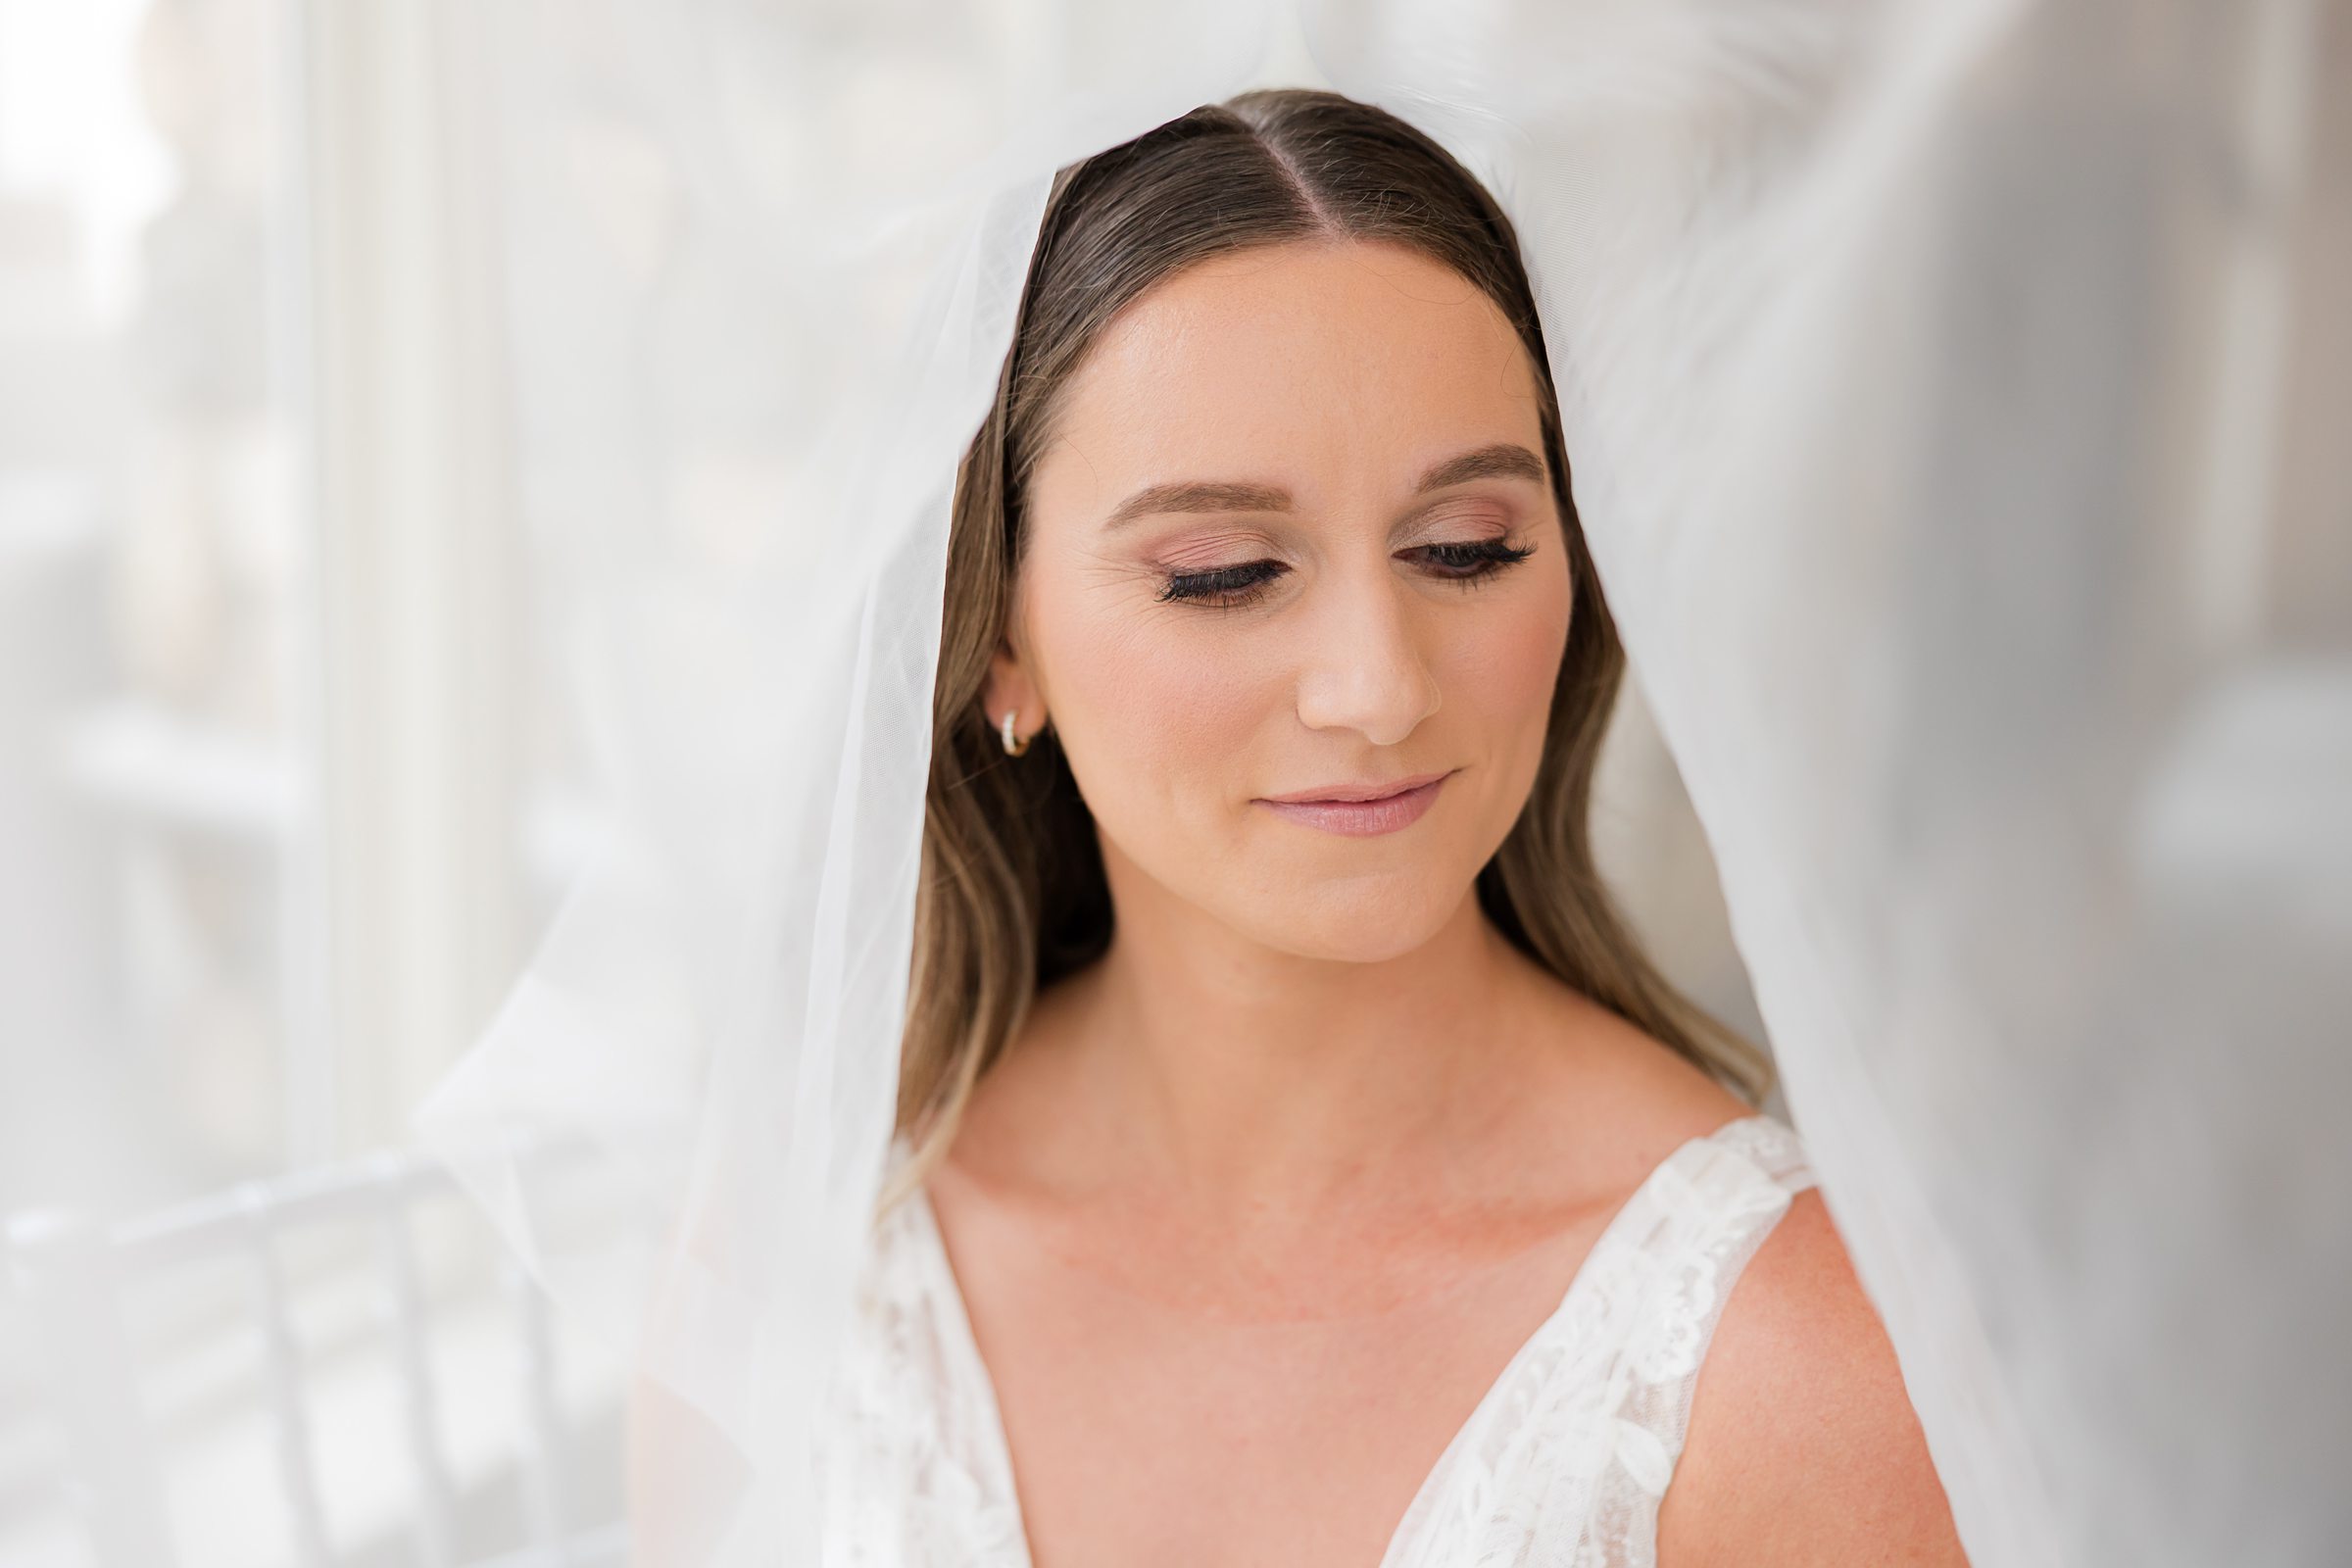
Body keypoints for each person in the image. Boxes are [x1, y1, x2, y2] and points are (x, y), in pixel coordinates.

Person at [804, 85, 1969, 1566]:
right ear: (995, 641)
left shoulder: (1784, 1361)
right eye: (1224, 572)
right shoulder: (817, 1271)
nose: (1377, 686)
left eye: (1464, 550)